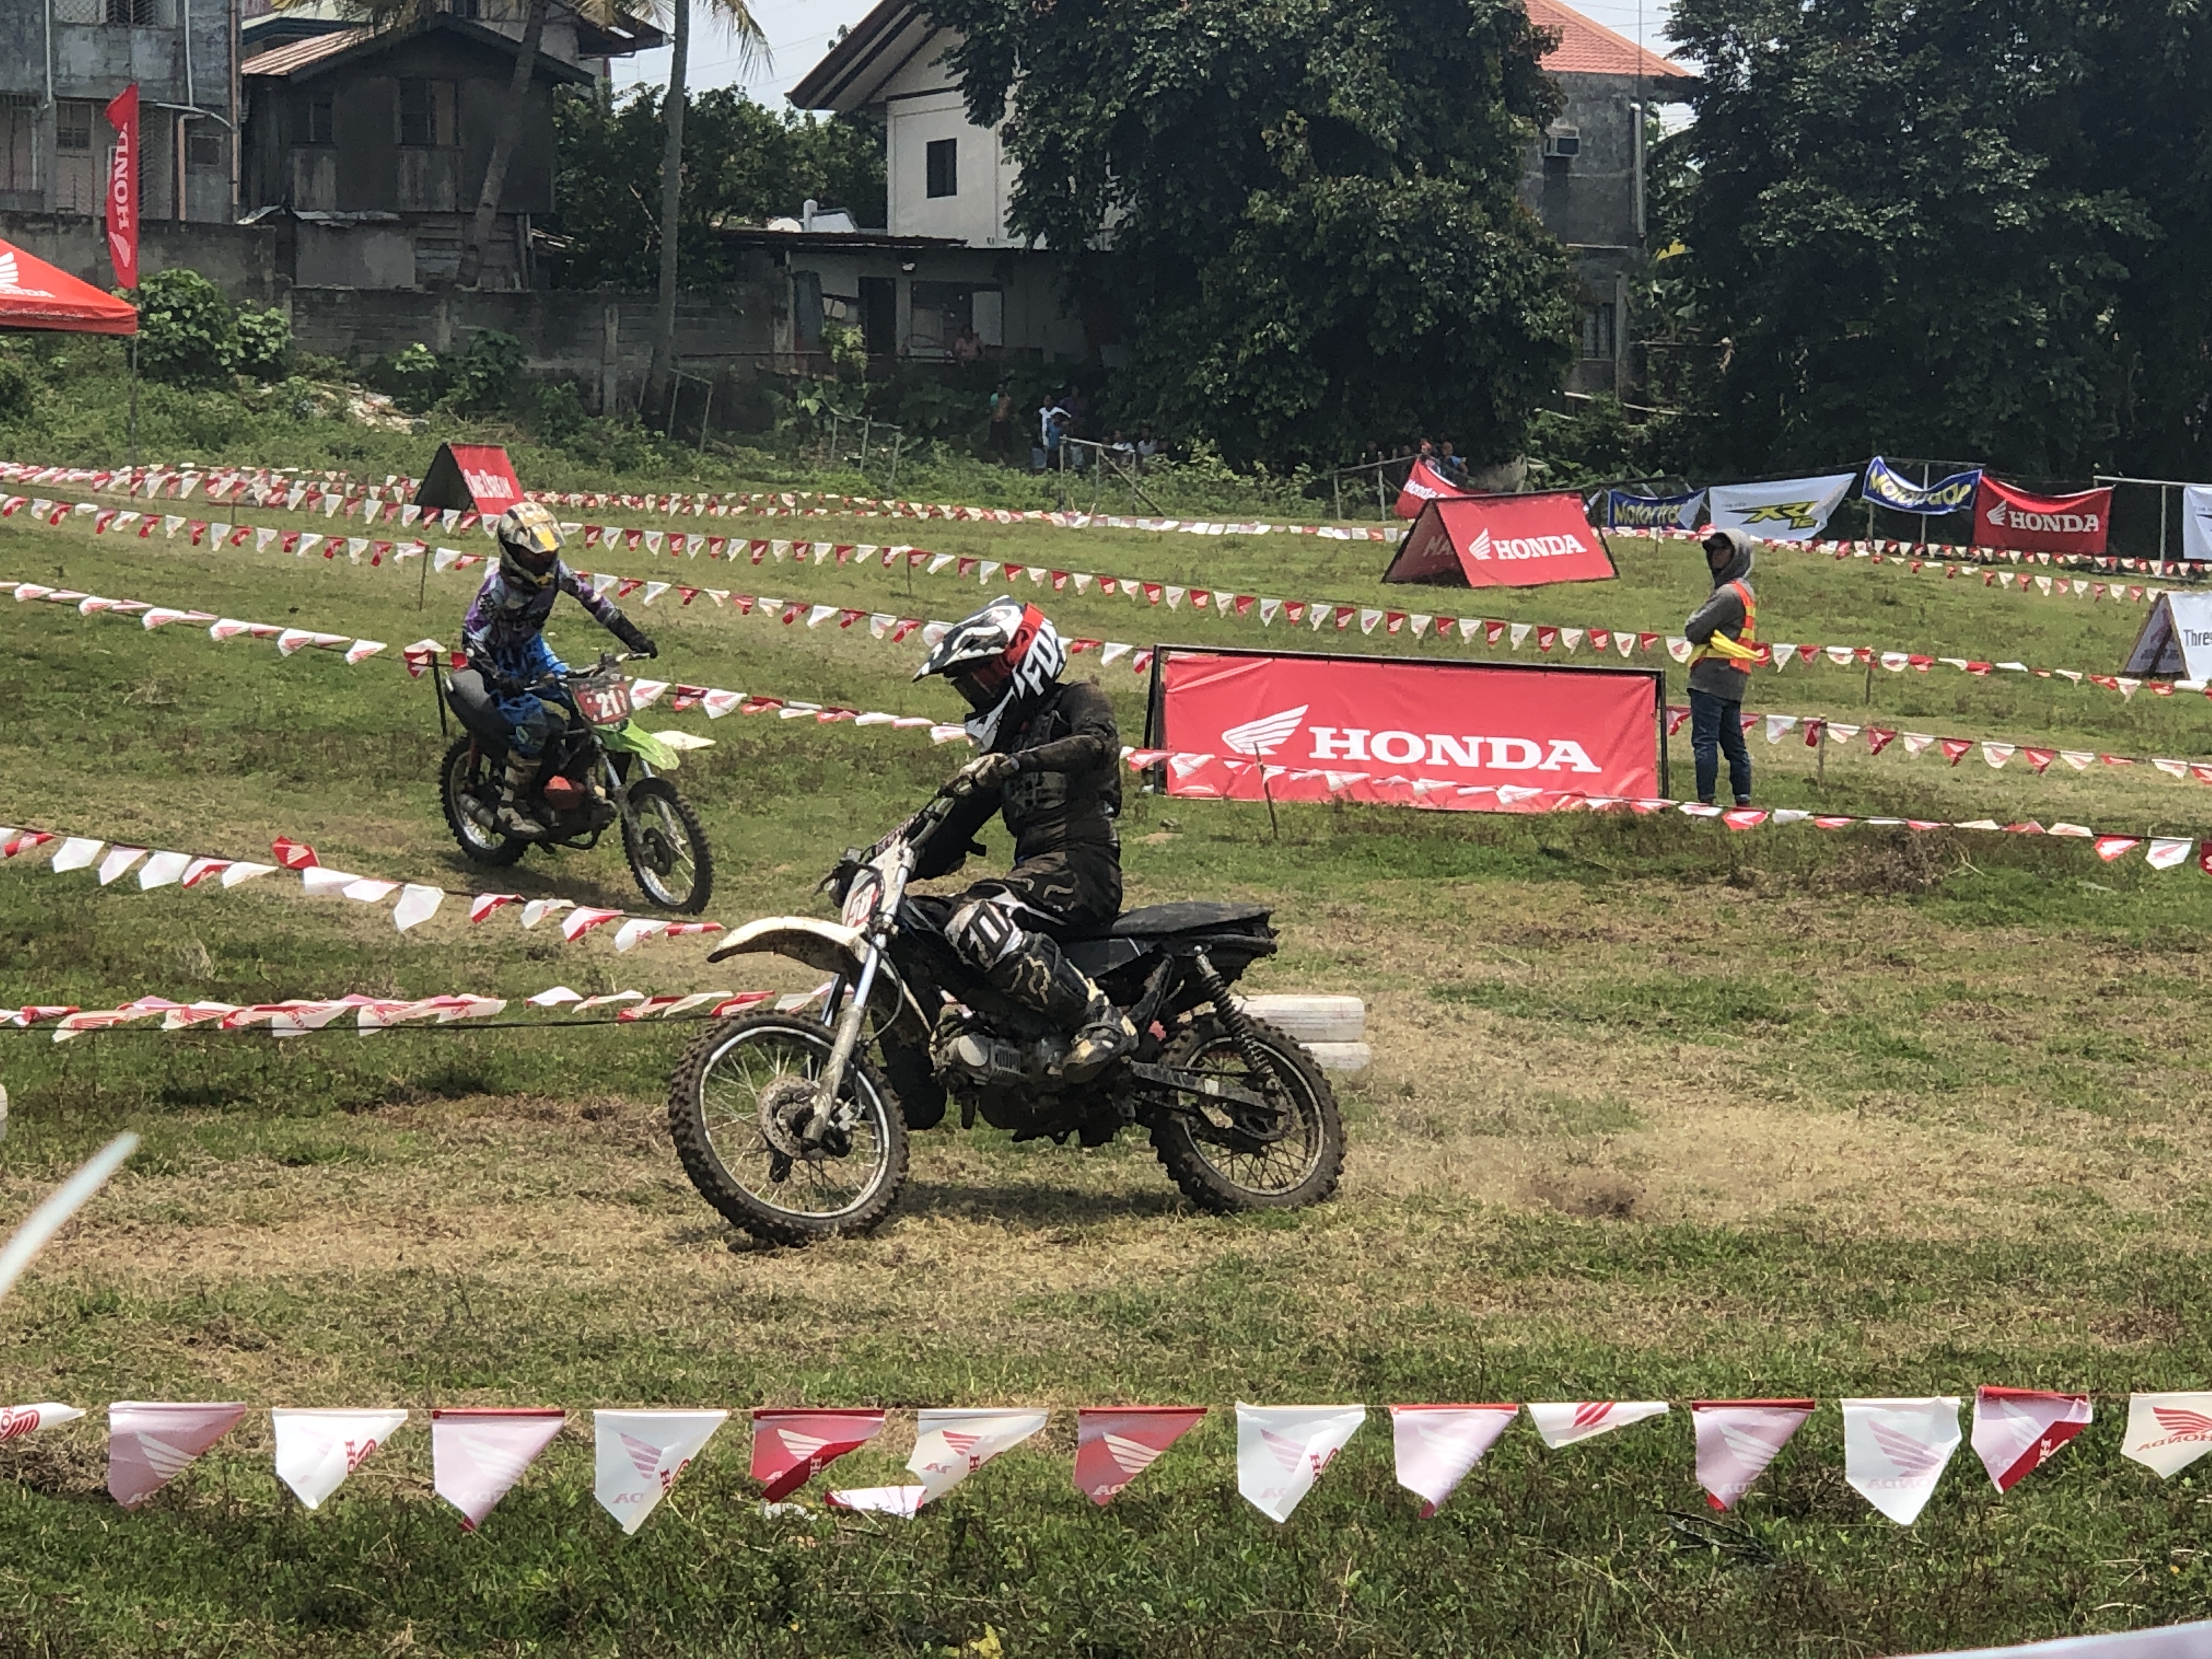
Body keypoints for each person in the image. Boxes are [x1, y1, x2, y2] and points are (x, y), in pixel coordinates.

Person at [910, 596, 1136, 1081]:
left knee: (976, 917)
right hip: (1036, 877)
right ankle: (987, 1034)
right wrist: (888, 860)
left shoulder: (1078, 699)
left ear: (1023, 658)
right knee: (920, 921)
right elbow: (954, 828)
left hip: (1082, 869)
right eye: (969, 686)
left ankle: (1099, 1019)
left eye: (985, 678)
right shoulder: (1005, 748)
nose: (978, 693)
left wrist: (1016, 764)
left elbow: (1096, 744)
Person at [462, 501, 657, 838]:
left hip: (535, 652)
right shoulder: (497, 589)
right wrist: (498, 677)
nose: (543, 560)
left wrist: (633, 636)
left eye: (548, 552)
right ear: (513, 552)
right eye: (534, 554)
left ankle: (573, 783)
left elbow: (595, 601)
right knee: (534, 724)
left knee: (586, 701)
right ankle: (509, 804)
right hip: (499, 661)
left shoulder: (558, 574)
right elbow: (471, 636)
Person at [1682, 528, 1759, 806]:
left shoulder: (1727, 594)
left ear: (1737, 555)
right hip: (1735, 677)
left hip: (1710, 677)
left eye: (1723, 550)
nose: (1716, 555)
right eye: (1712, 549)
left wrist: (1700, 629)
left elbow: (1693, 629)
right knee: (1734, 745)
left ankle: (1706, 802)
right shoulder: (1746, 592)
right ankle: (1743, 801)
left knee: (1705, 742)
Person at [987, 382, 1016, 460]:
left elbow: (1012, 410)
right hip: (995, 421)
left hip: (1005, 422)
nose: (1000, 390)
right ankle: (994, 458)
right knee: (993, 441)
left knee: (1007, 441)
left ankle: (1007, 458)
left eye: (1002, 388)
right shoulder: (993, 398)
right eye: (998, 389)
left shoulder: (1009, 400)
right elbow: (990, 409)